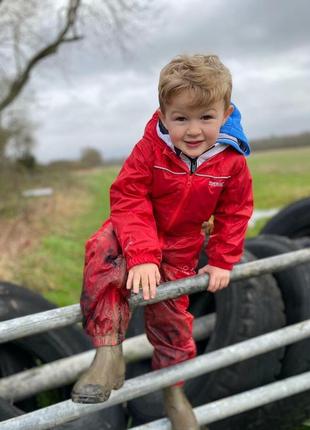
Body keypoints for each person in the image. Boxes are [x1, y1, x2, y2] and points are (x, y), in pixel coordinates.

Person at [71, 54, 253, 430]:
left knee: (172, 322)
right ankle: (108, 353)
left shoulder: (232, 162)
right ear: (163, 114)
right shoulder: (150, 150)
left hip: (182, 246)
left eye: (206, 117)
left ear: (226, 112)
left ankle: (174, 391)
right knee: (101, 251)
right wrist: (140, 254)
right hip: (133, 232)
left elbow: (236, 212)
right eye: (181, 118)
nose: (193, 130)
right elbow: (128, 196)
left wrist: (222, 259)